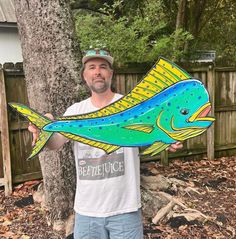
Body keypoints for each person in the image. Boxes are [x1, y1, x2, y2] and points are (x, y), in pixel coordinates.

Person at [28, 49, 183, 239]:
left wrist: (169, 139)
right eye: (91, 67)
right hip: (87, 212)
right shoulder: (75, 112)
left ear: (111, 73)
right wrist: (44, 130)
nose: (97, 71)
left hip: (126, 209)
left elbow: (157, 131)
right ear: (85, 76)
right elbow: (55, 143)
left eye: (103, 67)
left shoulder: (133, 106)